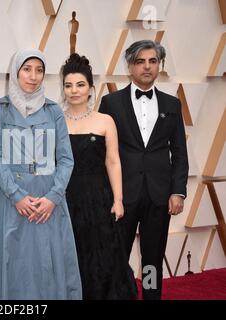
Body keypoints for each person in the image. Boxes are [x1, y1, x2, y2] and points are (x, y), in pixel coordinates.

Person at [0, 49, 82, 300]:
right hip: (11, 200)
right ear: (16, 72)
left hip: (48, 199)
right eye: (27, 69)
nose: (33, 76)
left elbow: (66, 159)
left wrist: (53, 197)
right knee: (11, 266)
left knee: (48, 266)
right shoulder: (0, 109)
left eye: (39, 70)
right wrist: (16, 195)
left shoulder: (54, 111)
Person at [99, 40, 189, 300]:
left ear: (159, 65)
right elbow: (103, 154)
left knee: (152, 261)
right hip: (121, 197)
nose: (147, 67)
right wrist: (108, 195)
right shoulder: (111, 103)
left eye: (152, 61)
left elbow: (180, 152)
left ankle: (151, 297)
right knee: (116, 258)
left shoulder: (172, 105)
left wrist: (178, 192)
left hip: (159, 197)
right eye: (140, 61)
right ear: (130, 66)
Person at [61, 53, 137, 300]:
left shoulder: (105, 121)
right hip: (64, 198)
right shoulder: (55, 122)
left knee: (104, 258)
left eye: (80, 85)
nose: (74, 91)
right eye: (68, 85)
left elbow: (113, 161)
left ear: (91, 88)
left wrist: (118, 199)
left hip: (99, 199)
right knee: (70, 255)